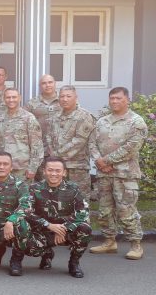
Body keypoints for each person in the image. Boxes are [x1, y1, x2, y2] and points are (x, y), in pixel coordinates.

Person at [89, 87, 147, 260]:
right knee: (105, 210)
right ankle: (109, 242)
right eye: (112, 98)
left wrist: (105, 161)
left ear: (127, 100)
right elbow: (92, 143)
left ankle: (136, 245)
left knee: (126, 210)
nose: (114, 101)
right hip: (104, 174)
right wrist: (99, 160)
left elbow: (132, 147)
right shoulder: (102, 121)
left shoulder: (136, 121)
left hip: (125, 175)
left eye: (118, 98)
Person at [25, 157, 91, 278]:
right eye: (50, 170)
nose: (54, 173)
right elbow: (27, 211)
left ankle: (74, 262)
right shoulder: (34, 188)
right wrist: (49, 225)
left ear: (64, 172)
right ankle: (46, 254)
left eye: (58, 170)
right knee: (29, 247)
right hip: (43, 229)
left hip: (65, 230)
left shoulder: (73, 188)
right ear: (44, 171)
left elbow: (83, 212)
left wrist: (63, 228)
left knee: (85, 228)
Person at [47, 86, 96, 197]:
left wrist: (57, 155)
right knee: (57, 199)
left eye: (68, 96)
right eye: (62, 96)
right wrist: (53, 154)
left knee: (79, 199)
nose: (65, 99)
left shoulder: (85, 116)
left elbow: (79, 141)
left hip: (77, 167)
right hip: (57, 168)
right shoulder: (55, 116)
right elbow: (49, 136)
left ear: (76, 97)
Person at [0, 88, 44, 180]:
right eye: (8, 97)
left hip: (22, 168)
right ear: (4, 99)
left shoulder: (29, 118)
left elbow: (37, 145)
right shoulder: (2, 118)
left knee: (22, 194)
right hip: (3, 167)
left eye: (14, 97)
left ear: (19, 98)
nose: (11, 100)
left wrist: (32, 168)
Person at [25, 75, 61, 152]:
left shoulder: (64, 100)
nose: (47, 85)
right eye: (44, 83)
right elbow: (23, 122)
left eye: (50, 82)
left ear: (55, 83)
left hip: (61, 146)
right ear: (40, 86)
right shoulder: (31, 103)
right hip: (40, 147)